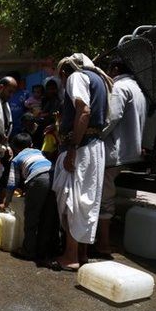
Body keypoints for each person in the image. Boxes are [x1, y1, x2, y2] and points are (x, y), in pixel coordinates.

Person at [52, 53, 113, 271]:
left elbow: (83, 110)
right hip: (94, 147)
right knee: (87, 200)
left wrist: (72, 148)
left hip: (82, 148)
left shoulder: (76, 77)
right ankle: (82, 253)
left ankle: (70, 256)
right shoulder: (99, 80)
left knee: (72, 201)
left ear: (65, 71)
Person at [97, 57, 147, 257]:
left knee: (104, 199)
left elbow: (112, 118)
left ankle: (103, 244)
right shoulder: (139, 89)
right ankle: (102, 241)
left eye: (109, 69)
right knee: (107, 196)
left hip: (113, 153)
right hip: (127, 152)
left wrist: (94, 135)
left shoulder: (119, 87)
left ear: (116, 69)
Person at [0, 133, 52, 261]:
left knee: (31, 217)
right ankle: (46, 249)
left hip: (38, 179)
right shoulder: (38, 152)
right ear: (31, 145)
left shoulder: (16, 159)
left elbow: (12, 183)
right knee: (48, 216)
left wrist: (6, 203)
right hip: (54, 176)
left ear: (14, 148)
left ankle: (28, 251)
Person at [7, 71, 30, 137]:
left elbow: (28, 110)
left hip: (21, 128)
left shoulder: (25, 94)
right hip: (7, 127)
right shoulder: (5, 94)